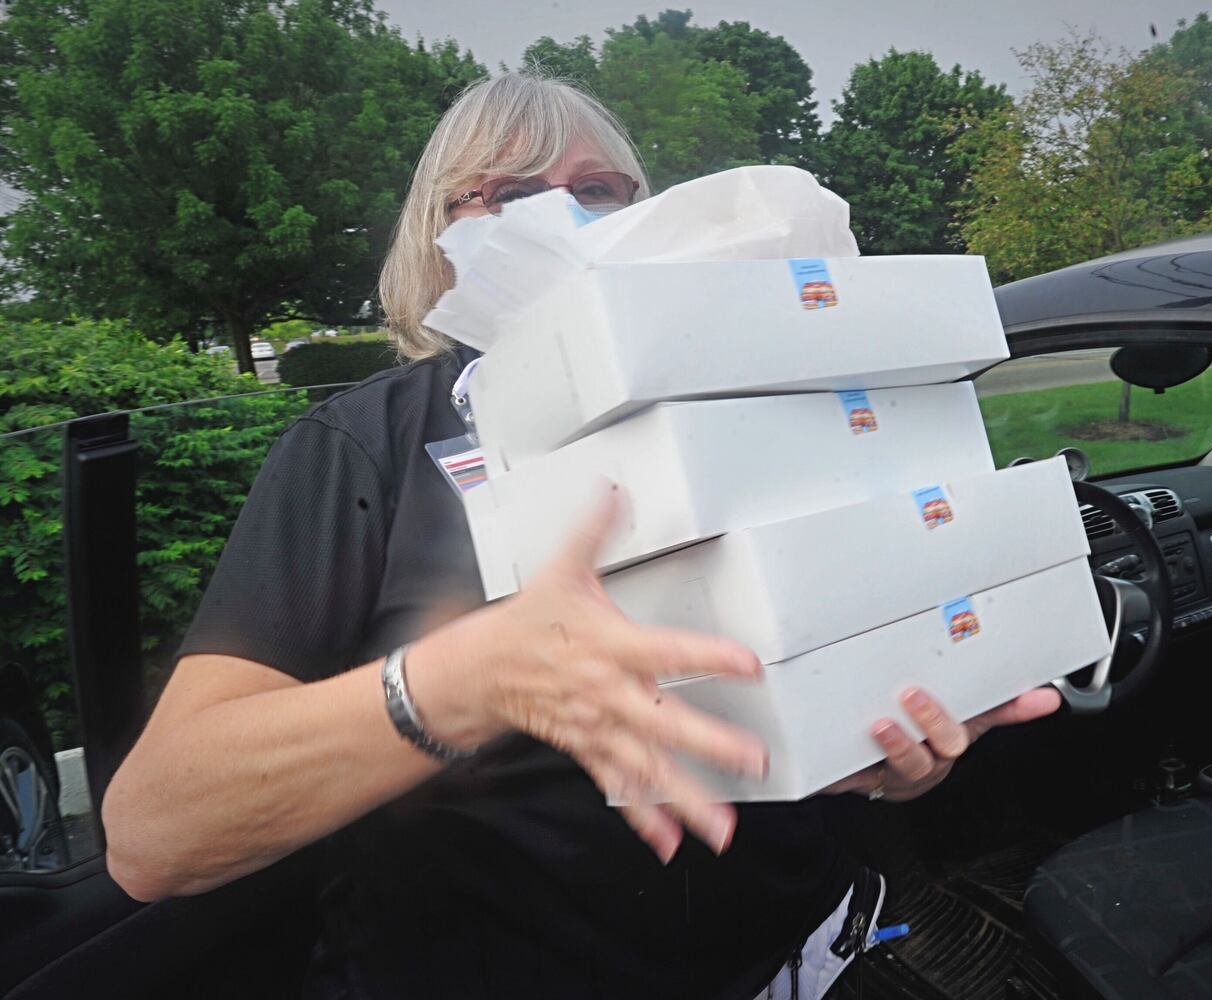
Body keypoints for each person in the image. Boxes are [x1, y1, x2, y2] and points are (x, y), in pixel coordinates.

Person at [101, 72, 1061, 999]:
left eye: (599, 191)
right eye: (509, 195)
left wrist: (897, 762)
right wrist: (467, 680)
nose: (564, 217)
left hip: (796, 956)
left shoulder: (761, 400)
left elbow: (852, 645)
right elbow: (155, 835)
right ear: (438, 234)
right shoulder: (366, 447)